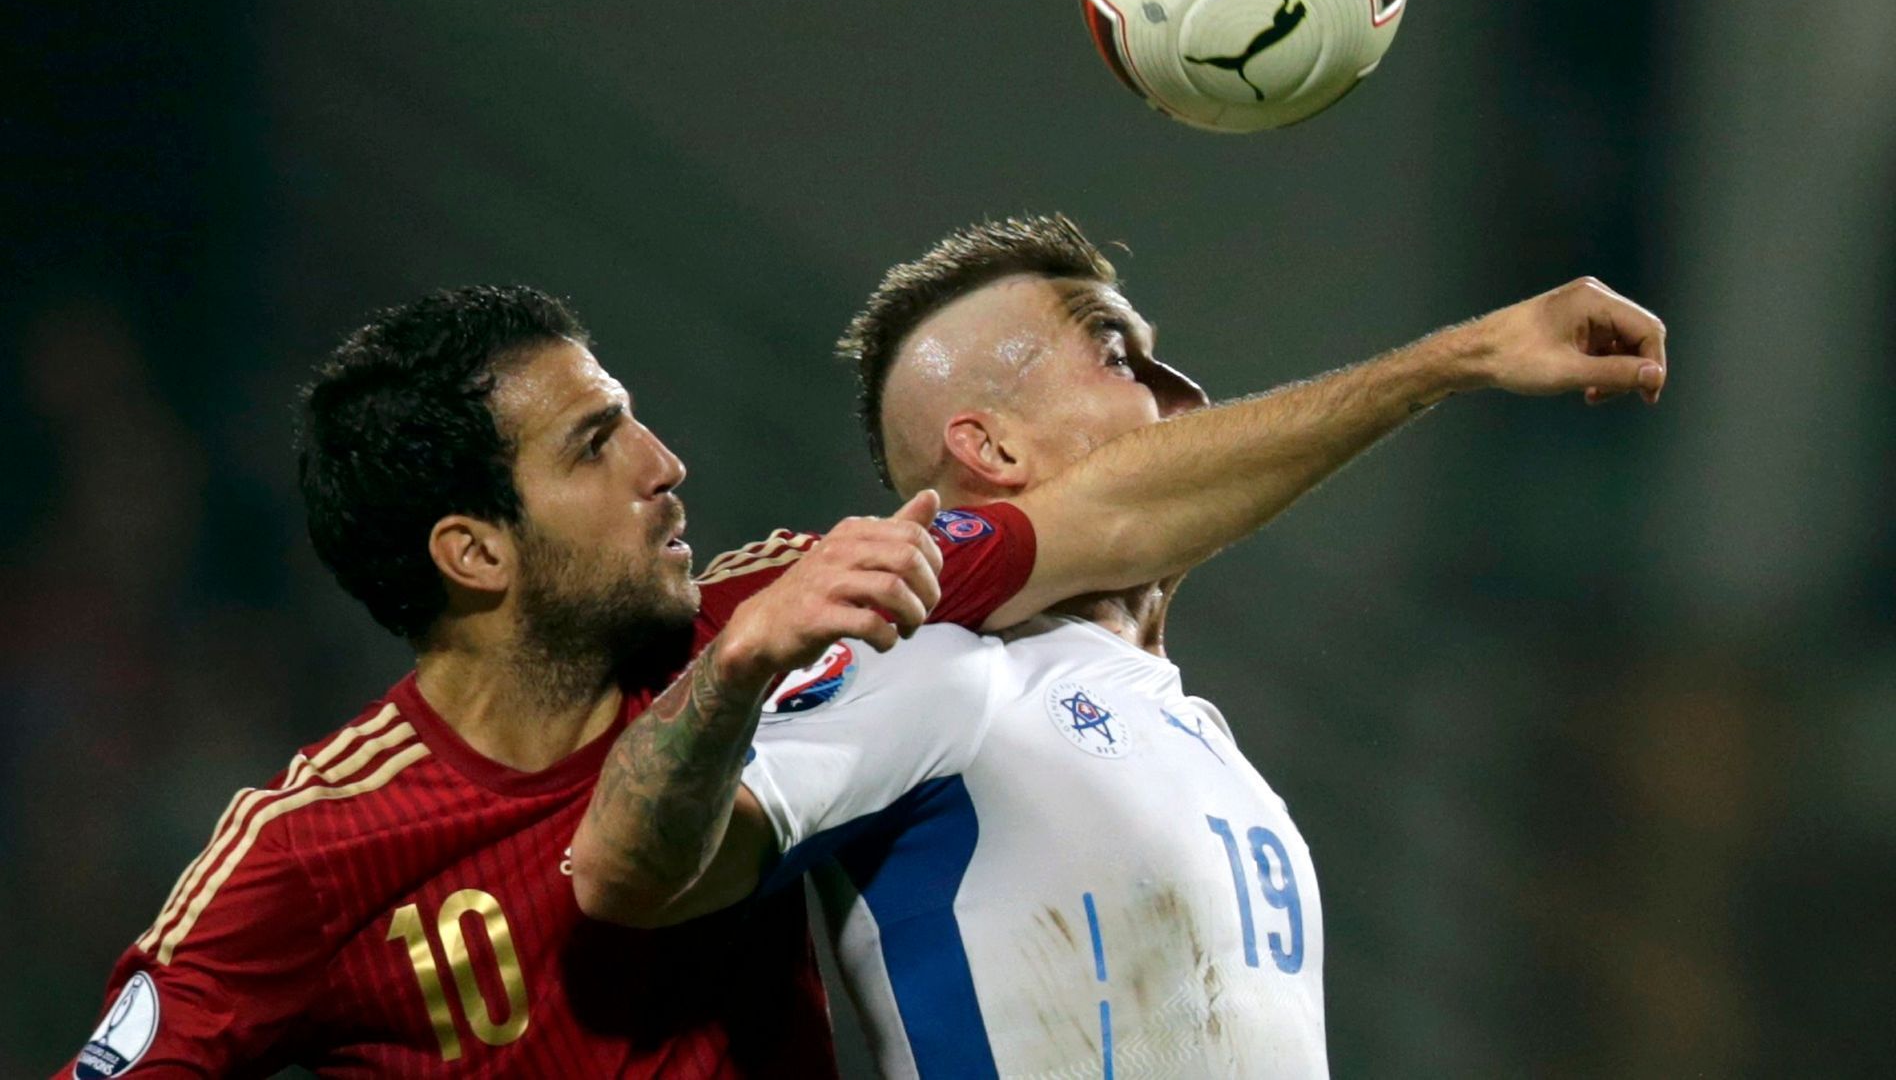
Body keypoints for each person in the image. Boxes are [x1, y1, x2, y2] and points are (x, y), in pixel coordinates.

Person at [570, 214, 1668, 1077]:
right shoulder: (939, 668)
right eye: (1114, 353)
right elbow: (627, 873)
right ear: (988, 444)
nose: (1182, 395)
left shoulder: (1205, 739)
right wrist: (739, 668)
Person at [61, 285, 973, 1078]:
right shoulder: (313, 849)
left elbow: (1083, 519)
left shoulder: (772, 615)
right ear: (476, 551)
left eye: (632, 422)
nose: (662, 465)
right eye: (593, 446)